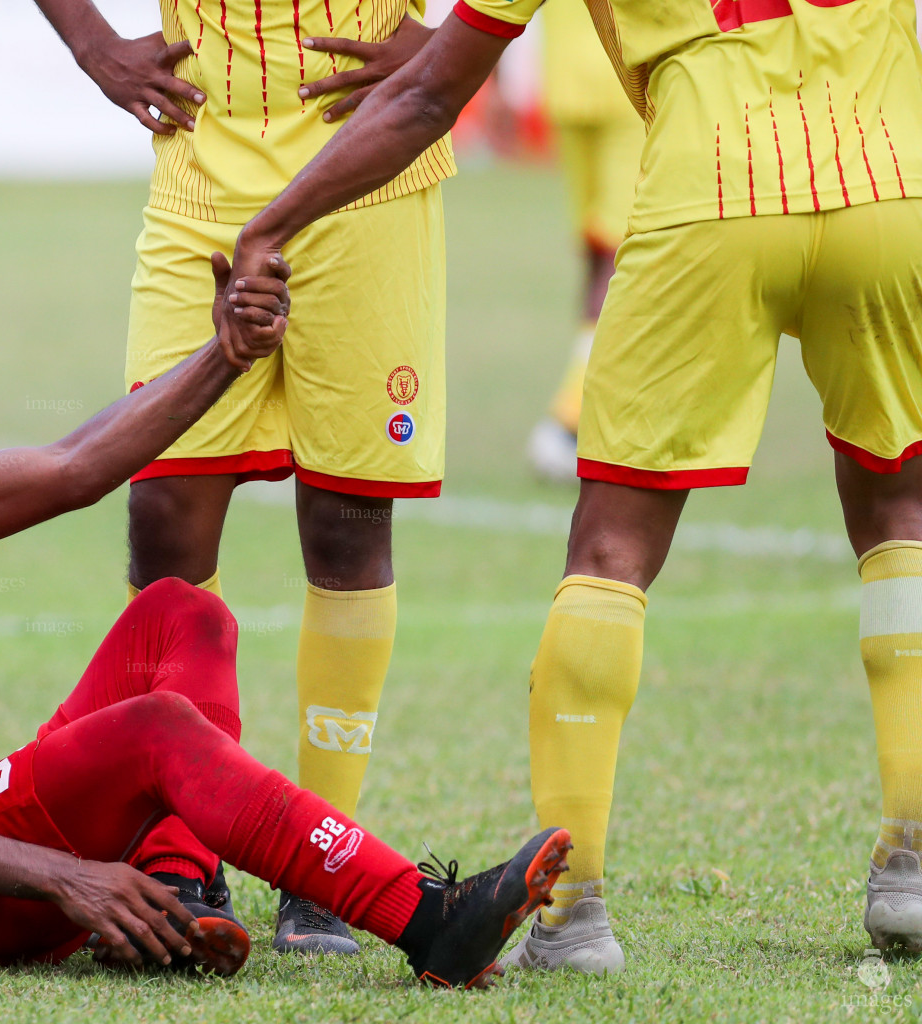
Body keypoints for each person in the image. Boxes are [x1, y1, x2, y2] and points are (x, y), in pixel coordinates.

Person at [220, 0, 922, 975]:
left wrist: (274, 222)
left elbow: (430, 93)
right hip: (892, 177)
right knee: (902, 506)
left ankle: (574, 909)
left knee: (611, 546)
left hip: (711, 192)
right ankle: (915, 861)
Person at [0, 275, 572, 985]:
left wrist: (227, 352)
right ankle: (425, 919)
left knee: (179, 612)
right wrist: (71, 878)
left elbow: (75, 467)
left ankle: (175, 884)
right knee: (154, 730)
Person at [29, 0, 454, 954]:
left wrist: (467, 51)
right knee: (166, 509)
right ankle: (188, 845)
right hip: (201, 174)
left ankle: (324, 874)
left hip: (375, 170)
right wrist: (92, 43)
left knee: (348, 523)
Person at [523, 0, 644, 482]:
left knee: (612, 256)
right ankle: (585, 413)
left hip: (597, 82)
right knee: (606, 255)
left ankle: (578, 412)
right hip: (604, 83)